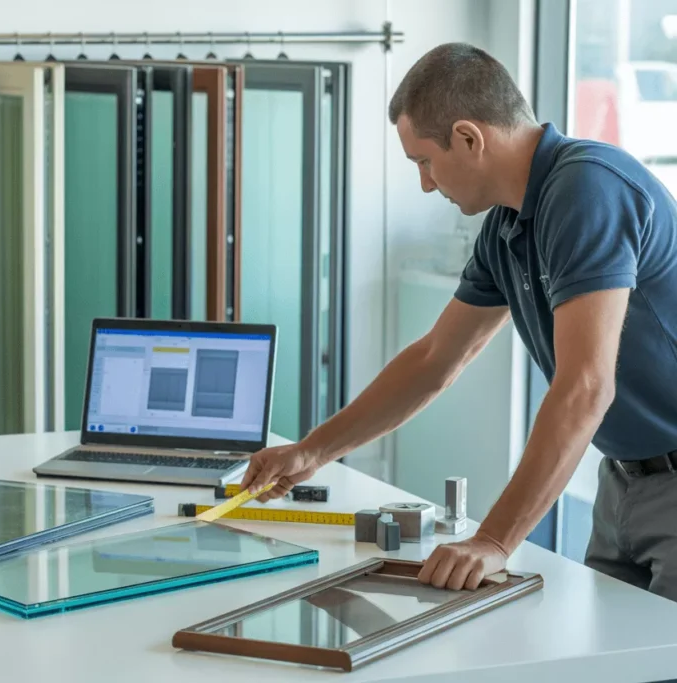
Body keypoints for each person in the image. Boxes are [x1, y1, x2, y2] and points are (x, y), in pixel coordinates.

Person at [242, 42, 677, 601]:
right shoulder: (506, 229)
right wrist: (312, 450)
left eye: (424, 161)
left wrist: (493, 540)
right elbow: (432, 361)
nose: (425, 183)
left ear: (469, 138)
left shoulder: (587, 189)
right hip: (622, 479)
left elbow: (586, 386)